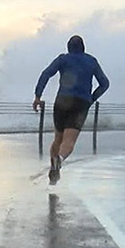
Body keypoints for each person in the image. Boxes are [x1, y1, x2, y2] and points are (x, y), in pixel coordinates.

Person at [33, 35, 110, 184]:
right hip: (81, 103)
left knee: (58, 139)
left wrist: (38, 96)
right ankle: (59, 160)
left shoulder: (63, 59)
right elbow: (105, 84)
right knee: (69, 141)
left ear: (68, 48)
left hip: (62, 100)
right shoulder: (91, 61)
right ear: (83, 48)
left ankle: (54, 173)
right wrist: (91, 98)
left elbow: (46, 74)